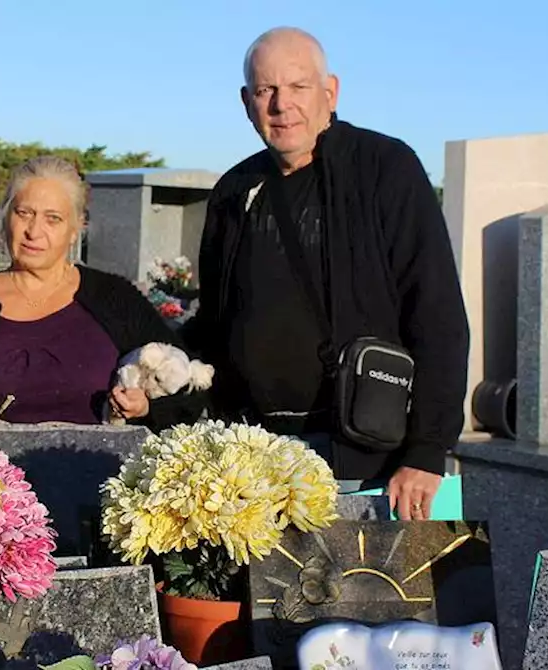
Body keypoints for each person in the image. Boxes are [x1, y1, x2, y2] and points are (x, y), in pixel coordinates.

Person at [183, 27, 469, 520]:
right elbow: (213, 322)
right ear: (247, 101)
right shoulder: (234, 190)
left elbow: (436, 311)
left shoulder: (384, 168)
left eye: (298, 87)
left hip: (366, 455)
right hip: (256, 460)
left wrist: (427, 449)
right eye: (266, 90)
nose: (281, 105)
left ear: (330, 91)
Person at [0, 156, 204, 429]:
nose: (34, 231)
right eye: (24, 213)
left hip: (98, 477)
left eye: (53, 219)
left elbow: (191, 391)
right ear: (5, 218)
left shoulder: (114, 298)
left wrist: (146, 409)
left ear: (76, 228)